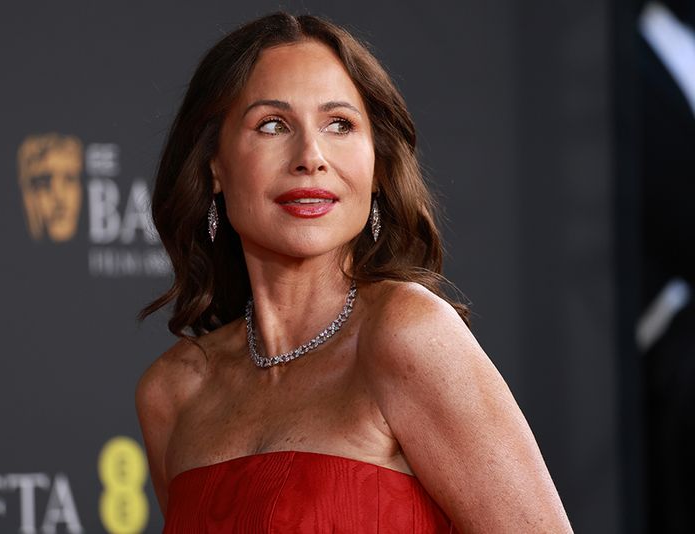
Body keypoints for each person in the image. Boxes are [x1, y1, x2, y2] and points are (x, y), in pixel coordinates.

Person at [136, 12, 572, 533]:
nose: (311, 157)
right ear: (214, 165)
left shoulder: (407, 334)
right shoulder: (172, 393)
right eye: (272, 125)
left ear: (377, 165)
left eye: (339, 124)